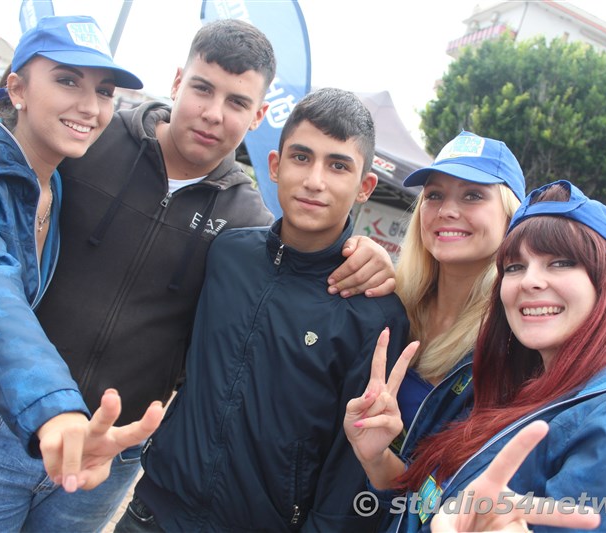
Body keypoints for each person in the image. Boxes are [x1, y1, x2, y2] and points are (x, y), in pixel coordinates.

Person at [0, 18, 395, 533]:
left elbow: (297, 264)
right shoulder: (93, 140)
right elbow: (9, 148)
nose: (213, 113)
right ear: (177, 82)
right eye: (202, 88)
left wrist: (362, 251)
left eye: (238, 102)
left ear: (259, 115)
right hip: (2, 423)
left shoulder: (248, 227)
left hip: (112, 452)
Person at [113, 87, 411, 532]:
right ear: (274, 166)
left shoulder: (373, 312)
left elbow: (349, 466)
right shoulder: (227, 254)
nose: (315, 180)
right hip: (153, 511)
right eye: (301, 157)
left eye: (338, 165)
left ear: (365, 186)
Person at [345, 180, 606, 532]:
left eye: (561, 262)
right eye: (515, 267)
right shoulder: (514, 387)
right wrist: (377, 458)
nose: (530, 281)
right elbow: (424, 507)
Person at [0, 12, 164, 522]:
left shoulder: (54, 187)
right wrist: (55, 410)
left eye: (104, 91)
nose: (89, 105)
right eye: (66, 80)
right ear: (16, 88)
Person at [389, 130, 524, 458]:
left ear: (511, 216)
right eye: (434, 195)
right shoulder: (389, 303)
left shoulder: (516, 342)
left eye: (473, 195)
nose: (446, 210)